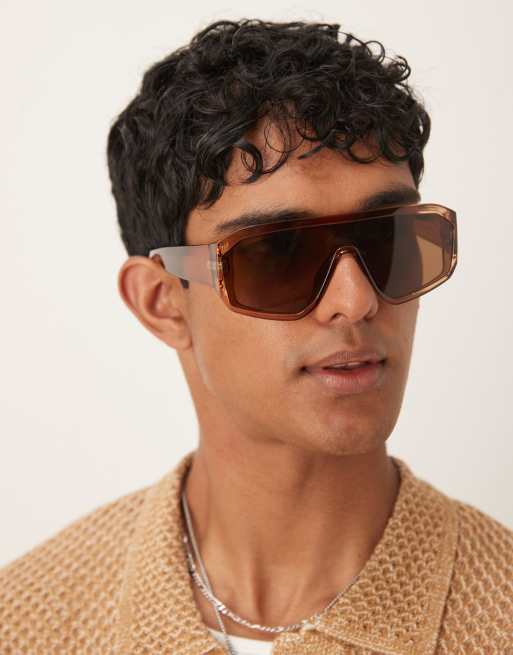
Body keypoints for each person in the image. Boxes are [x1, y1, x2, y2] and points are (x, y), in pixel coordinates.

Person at [1, 18, 511, 655]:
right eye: (279, 254)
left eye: (388, 239)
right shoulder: (26, 624)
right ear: (163, 303)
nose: (356, 301)